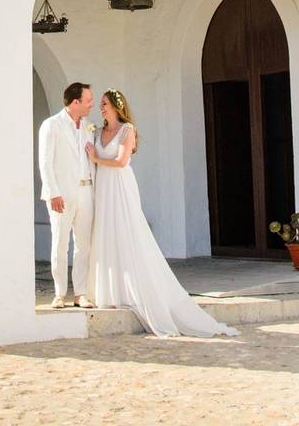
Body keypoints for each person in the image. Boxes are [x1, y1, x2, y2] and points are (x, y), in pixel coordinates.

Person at [86, 88, 239, 337]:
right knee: (106, 234)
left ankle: (137, 291)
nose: (101, 107)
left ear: (116, 105)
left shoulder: (127, 130)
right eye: (100, 104)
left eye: (104, 103)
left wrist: (96, 160)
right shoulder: (98, 132)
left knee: (127, 234)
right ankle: (110, 291)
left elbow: (122, 162)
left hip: (120, 187)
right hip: (103, 188)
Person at [37, 82, 97, 309]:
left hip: (86, 191)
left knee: (84, 245)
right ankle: (59, 293)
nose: (92, 104)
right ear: (75, 102)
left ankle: (80, 293)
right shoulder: (51, 125)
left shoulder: (89, 126)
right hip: (61, 194)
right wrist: (53, 193)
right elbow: (45, 162)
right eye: (88, 100)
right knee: (60, 244)